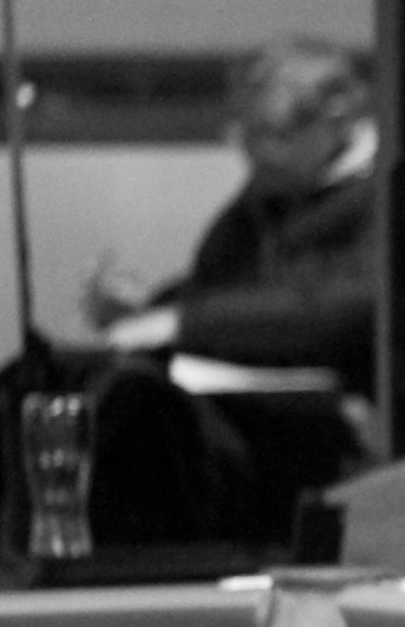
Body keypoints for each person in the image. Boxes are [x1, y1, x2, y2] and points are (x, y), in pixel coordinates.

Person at [81, 37, 380, 546]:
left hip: (336, 439)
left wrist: (180, 322)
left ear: (338, 119)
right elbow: (218, 286)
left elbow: (336, 309)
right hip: (246, 426)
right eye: (247, 133)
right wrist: (145, 309)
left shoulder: (382, 194)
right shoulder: (266, 196)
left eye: (275, 135)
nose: (256, 152)